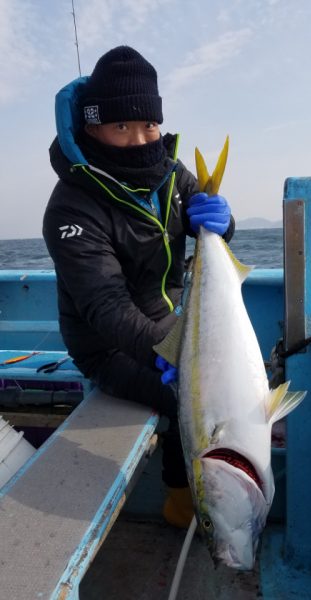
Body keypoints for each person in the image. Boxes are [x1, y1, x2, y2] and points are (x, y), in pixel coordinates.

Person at [43, 46, 234, 528]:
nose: (139, 138)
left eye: (148, 124)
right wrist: (167, 354)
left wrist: (222, 225)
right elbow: (104, 305)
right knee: (191, 403)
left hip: (167, 319)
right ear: (92, 129)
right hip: (107, 345)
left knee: (234, 391)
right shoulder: (71, 205)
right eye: (121, 126)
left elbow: (204, 225)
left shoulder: (172, 174)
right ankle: (182, 500)